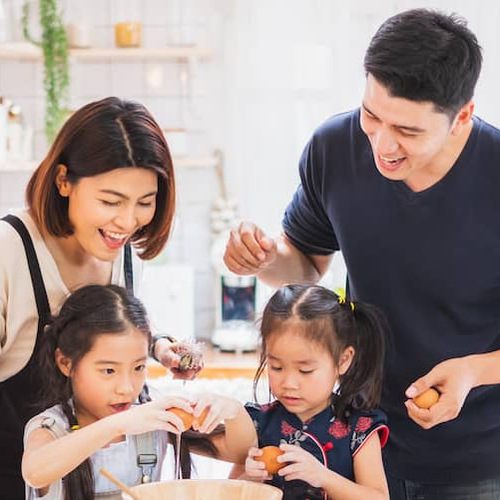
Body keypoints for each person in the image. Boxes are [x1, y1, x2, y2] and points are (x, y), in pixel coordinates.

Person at [224, 8, 500, 500]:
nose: (381, 145)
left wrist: (476, 371)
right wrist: (265, 261)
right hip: (355, 443)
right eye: (372, 115)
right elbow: (308, 266)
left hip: (479, 457)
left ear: (462, 117)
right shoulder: (334, 146)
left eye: (408, 131)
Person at [0, 96, 200, 499]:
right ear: (63, 181)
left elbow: (107, 327)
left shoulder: (122, 253)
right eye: (110, 202)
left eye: (145, 202)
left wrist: (157, 346)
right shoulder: (9, 250)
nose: (127, 222)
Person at [22, 284, 256, 500]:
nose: (126, 387)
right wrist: (120, 424)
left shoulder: (149, 423)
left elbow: (241, 455)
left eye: (138, 367)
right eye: (108, 370)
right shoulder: (51, 428)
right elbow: (35, 472)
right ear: (66, 363)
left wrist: (233, 411)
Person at [237, 284, 389, 500]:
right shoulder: (257, 422)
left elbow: (379, 497)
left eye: (305, 370)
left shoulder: (359, 428)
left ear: (343, 360)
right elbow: (231, 489)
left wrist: (323, 477)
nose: (289, 383)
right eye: (276, 367)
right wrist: (250, 478)